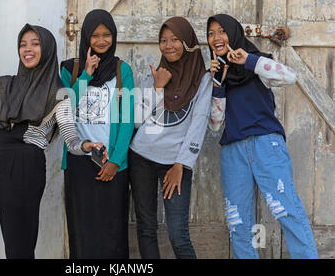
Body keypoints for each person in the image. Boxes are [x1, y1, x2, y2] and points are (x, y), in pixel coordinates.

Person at [0, 9, 106, 259]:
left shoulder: (59, 94)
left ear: (47, 49)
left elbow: (70, 138)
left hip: (25, 169)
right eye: (23, 44)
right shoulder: (6, 86)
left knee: (18, 251)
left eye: (35, 44)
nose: (27, 49)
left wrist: (86, 146)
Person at [207, 13, 318, 259]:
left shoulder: (258, 63)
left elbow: (290, 77)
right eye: (211, 33)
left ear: (234, 33)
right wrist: (217, 82)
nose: (216, 37)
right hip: (233, 151)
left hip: (266, 144)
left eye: (222, 31)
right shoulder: (216, 74)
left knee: (286, 209)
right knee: (238, 221)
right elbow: (215, 124)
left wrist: (249, 60)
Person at [129, 17, 212, 259]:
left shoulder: (203, 80)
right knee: (146, 228)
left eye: (175, 39)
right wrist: (157, 88)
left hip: (175, 163)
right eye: (163, 41)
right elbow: (137, 120)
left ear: (188, 42)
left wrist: (181, 165)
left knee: (178, 234)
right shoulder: (154, 75)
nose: (168, 46)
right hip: (141, 157)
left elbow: (199, 122)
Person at [60, 9, 135, 259]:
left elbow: (127, 119)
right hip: (79, 161)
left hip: (113, 163)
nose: (101, 41)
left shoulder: (123, 71)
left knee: (112, 231)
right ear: (85, 38)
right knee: (82, 230)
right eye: (95, 35)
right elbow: (65, 111)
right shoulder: (69, 69)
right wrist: (86, 75)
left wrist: (115, 160)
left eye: (107, 35)